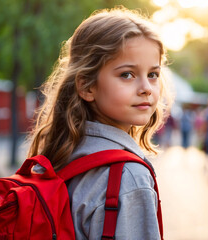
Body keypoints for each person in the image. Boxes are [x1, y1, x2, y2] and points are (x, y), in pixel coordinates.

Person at [26, 7, 171, 239]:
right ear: (86, 86)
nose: (146, 88)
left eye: (153, 74)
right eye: (127, 74)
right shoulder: (129, 177)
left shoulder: (58, 155)